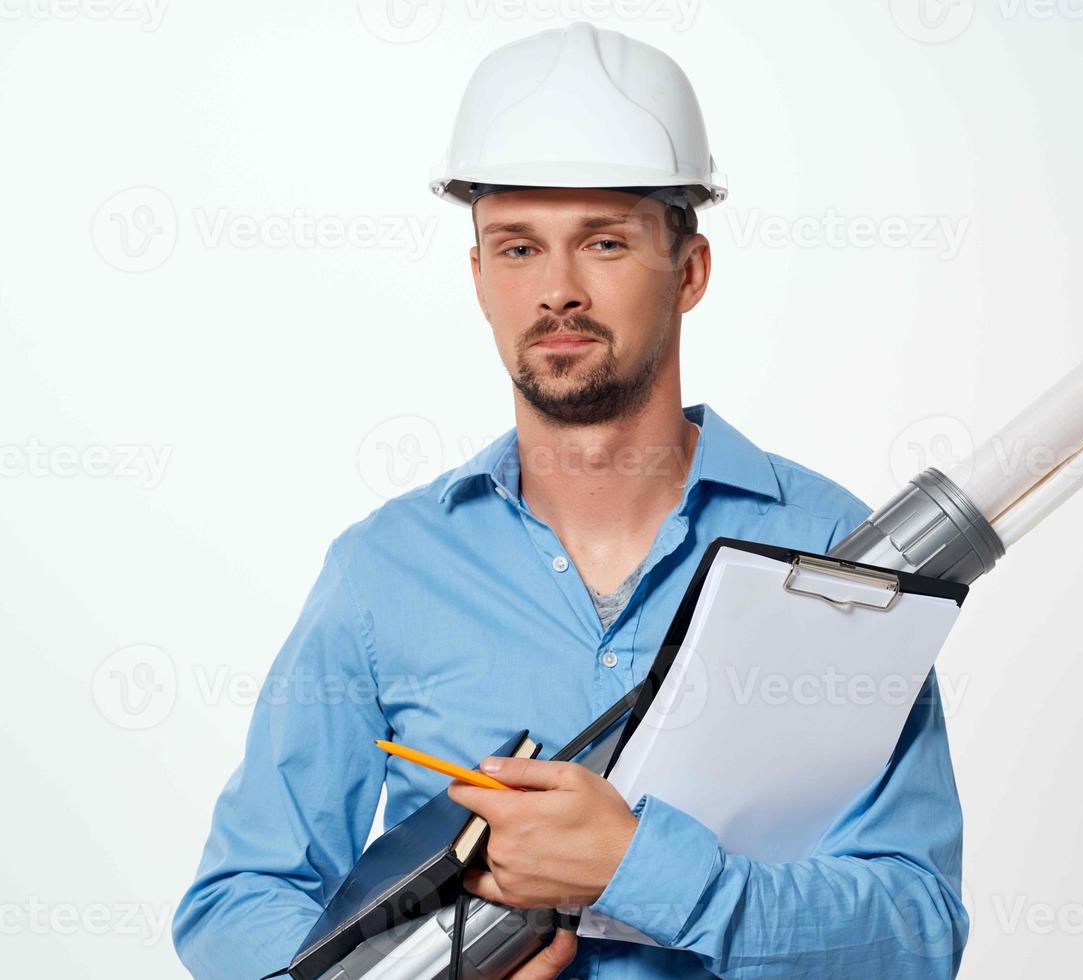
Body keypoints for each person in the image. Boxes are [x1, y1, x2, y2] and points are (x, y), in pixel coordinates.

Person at [173, 22, 968, 979]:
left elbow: (917, 933)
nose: (557, 291)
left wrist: (646, 870)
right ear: (478, 279)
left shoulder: (836, 550)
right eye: (517, 248)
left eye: (602, 242)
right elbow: (237, 904)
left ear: (690, 270)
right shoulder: (386, 572)